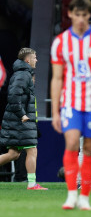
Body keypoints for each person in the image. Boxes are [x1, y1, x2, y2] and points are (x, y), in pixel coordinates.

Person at [50, 0, 91, 210]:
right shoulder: (60, 42)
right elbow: (57, 78)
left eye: (85, 15)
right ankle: (71, 195)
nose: (81, 19)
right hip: (71, 102)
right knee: (71, 144)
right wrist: (55, 111)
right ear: (70, 14)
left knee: (89, 148)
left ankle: (84, 196)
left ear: (89, 16)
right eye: (77, 15)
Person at [0, 48, 47, 190]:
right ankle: (32, 184)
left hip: (16, 121)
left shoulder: (22, 74)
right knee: (32, 150)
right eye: (35, 57)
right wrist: (22, 115)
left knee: (13, 154)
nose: (37, 60)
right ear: (27, 60)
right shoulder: (23, 75)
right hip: (20, 121)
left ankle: (32, 183)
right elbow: (13, 96)